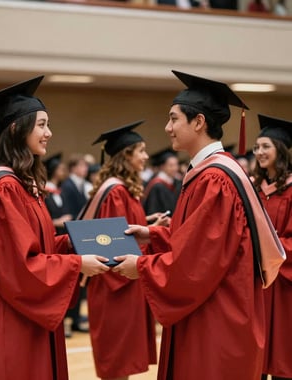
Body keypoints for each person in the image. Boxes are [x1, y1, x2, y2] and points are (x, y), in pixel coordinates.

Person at [112, 70, 284, 380]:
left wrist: (142, 267)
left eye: (174, 119)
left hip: (217, 320)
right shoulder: (211, 172)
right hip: (215, 310)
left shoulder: (215, 179)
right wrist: (151, 233)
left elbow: (198, 262)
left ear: (199, 122)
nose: (168, 128)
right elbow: (199, 240)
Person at [0, 76, 110, 380]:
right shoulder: (4, 189)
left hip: (21, 320)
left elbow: (37, 248)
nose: (49, 133)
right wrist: (78, 263)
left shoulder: (20, 185)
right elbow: (19, 269)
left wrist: (78, 242)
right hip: (5, 325)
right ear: (16, 128)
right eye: (41, 125)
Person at [81, 120, 157, 380]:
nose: (146, 156)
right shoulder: (115, 192)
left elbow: (123, 232)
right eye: (141, 151)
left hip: (126, 283)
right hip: (116, 286)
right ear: (126, 155)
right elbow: (109, 245)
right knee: (116, 362)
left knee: (122, 362)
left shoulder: (124, 190)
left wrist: (151, 226)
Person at [252, 114, 292, 380]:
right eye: (257, 147)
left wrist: (266, 251)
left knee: (281, 355)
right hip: (257, 282)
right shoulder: (255, 188)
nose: (259, 152)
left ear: (281, 149)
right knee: (254, 359)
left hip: (284, 287)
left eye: (266, 146)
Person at [60, 152, 92, 333]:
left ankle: (76, 319)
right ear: (73, 168)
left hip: (81, 234)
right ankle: (69, 319)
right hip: (72, 235)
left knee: (80, 281)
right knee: (71, 281)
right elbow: (70, 212)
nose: (85, 169)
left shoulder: (80, 186)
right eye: (81, 166)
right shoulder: (68, 186)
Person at [143, 148, 182, 216]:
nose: (175, 168)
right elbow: (152, 210)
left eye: (176, 165)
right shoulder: (157, 185)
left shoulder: (176, 183)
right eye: (171, 165)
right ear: (162, 167)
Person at [43, 152, 72, 236]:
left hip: (63, 233)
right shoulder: (44, 191)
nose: (64, 172)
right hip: (51, 233)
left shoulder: (60, 191)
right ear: (53, 170)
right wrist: (55, 222)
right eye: (61, 169)